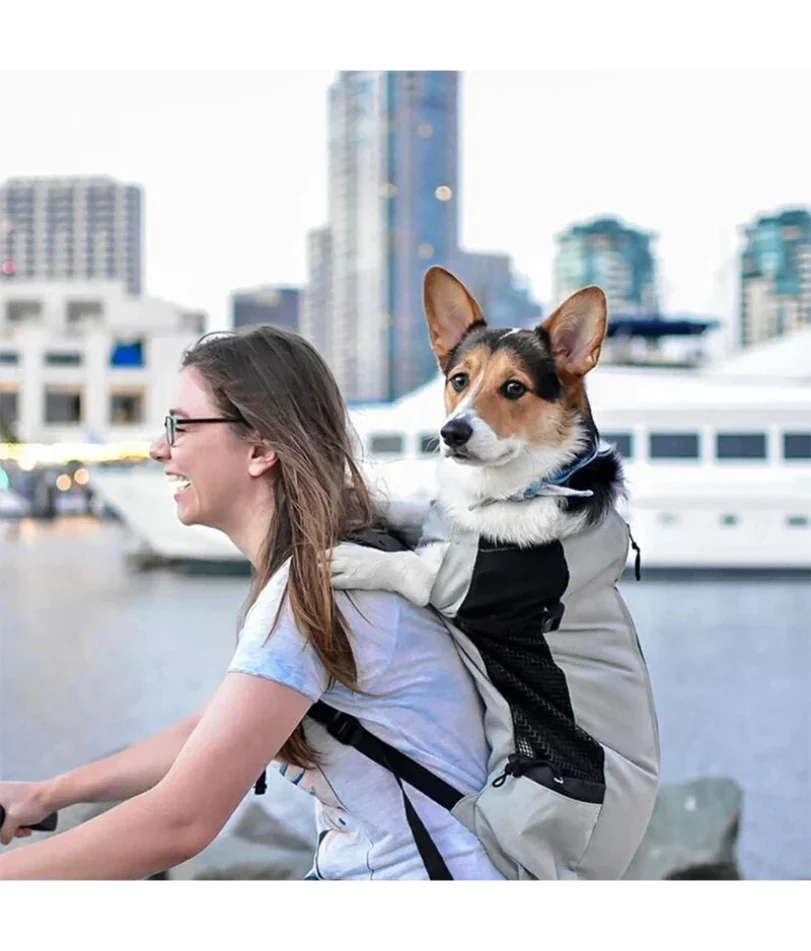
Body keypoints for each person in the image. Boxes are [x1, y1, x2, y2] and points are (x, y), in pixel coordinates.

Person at [0, 326, 503, 881]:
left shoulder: (319, 590)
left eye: (180, 426)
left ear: (261, 449)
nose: (158, 448)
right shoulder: (345, 562)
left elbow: (179, 824)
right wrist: (47, 794)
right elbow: (214, 730)